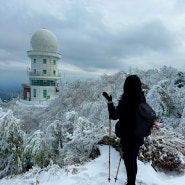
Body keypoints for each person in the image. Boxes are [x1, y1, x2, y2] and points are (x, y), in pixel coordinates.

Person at [103, 75, 146, 185]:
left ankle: (130, 184)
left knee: (129, 163)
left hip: (128, 137)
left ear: (126, 87)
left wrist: (109, 102)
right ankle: (131, 183)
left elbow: (114, 115)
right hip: (139, 136)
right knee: (133, 162)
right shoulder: (142, 99)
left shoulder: (126, 102)